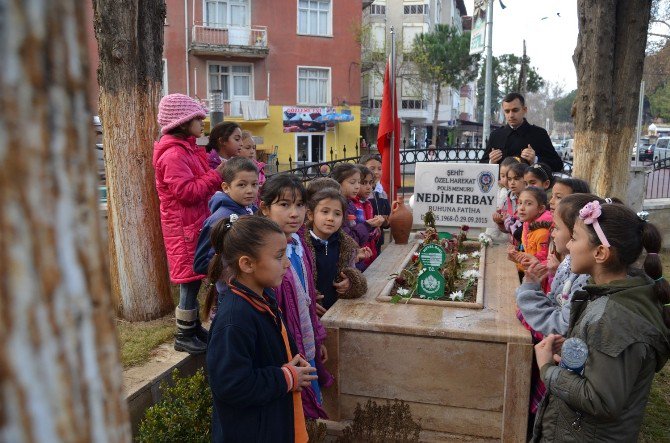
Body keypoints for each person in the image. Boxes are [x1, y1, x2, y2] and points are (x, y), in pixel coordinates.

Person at [532, 201, 670, 441]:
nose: (567, 245)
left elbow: (601, 400)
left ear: (600, 253)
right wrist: (576, 349)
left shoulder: (614, 318)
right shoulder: (620, 294)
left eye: (574, 238)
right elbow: (610, 358)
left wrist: (547, 369)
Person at [205, 215, 315, 443]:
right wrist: (285, 377)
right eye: (278, 256)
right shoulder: (235, 319)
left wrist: (293, 360)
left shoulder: (263, 298)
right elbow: (231, 384)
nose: (286, 263)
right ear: (247, 264)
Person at [152, 93, 223, 354]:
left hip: (193, 223)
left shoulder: (188, 149)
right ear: (182, 122)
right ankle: (183, 334)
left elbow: (201, 179)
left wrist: (212, 174)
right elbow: (188, 192)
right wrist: (217, 176)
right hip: (182, 227)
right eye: (197, 118)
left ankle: (192, 328)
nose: (203, 122)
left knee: (194, 276)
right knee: (188, 280)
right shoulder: (173, 155)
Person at [259, 174, 332, 419]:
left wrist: (317, 338)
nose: (294, 213)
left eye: (300, 205)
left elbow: (307, 299)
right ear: (265, 209)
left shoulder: (298, 243)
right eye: (284, 205)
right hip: (284, 354)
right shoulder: (264, 255)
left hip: (304, 341)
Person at [194, 157, 259, 323]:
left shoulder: (252, 211)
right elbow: (202, 262)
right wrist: (230, 272)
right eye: (242, 185)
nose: (250, 190)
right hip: (230, 293)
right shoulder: (220, 219)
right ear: (226, 187)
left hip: (251, 289)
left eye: (254, 184)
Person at [303, 188, 368, 312]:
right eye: (325, 212)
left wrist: (351, 283)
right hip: (311, 315)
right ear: (311, 215)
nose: (331, 218)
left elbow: (354, 271)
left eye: (337, 214)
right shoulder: (301, 245)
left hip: (337, 311)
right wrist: (305, 302)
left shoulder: (346, 246)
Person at [480, 92, 563, 172]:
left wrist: (536, 160)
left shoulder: (539, 134)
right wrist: (491, 162)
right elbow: (481, 166)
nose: (511, 115)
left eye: (515, 110)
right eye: (507, 111)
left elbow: (558, 165)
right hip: (501, 185)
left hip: (529, 186)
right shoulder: (496, 135)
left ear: (524, 110)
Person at [331, 163, 384, 251]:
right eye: (352, 182)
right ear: (338, 183)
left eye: (359, 182)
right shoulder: (340, 206)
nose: (357, 186)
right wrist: (368, 225)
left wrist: (373, 228)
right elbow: (349, 239)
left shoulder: (352, 203)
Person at [360, 154, 390, 252]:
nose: (376, 172)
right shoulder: (361, 193)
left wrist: (385, 220)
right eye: (372, 169)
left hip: (378, 241)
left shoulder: (382, 192)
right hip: (364, 243)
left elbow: (388, 216)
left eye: (379, 169)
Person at [353, 165, 381, 270]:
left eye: (370, 183)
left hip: (370, 255)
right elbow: (354, 233)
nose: (369, 187)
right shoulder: (351, 205)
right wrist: (370, 226)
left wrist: (376, 228)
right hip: (358, 259)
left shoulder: (368, 204)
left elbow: (371, 233)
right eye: (364, 183)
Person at [239, 130, 266, 203]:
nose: (252, 151)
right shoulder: (234, 169)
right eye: (248, 148)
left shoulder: (259, 167)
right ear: (238, 147)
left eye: (253, 148)